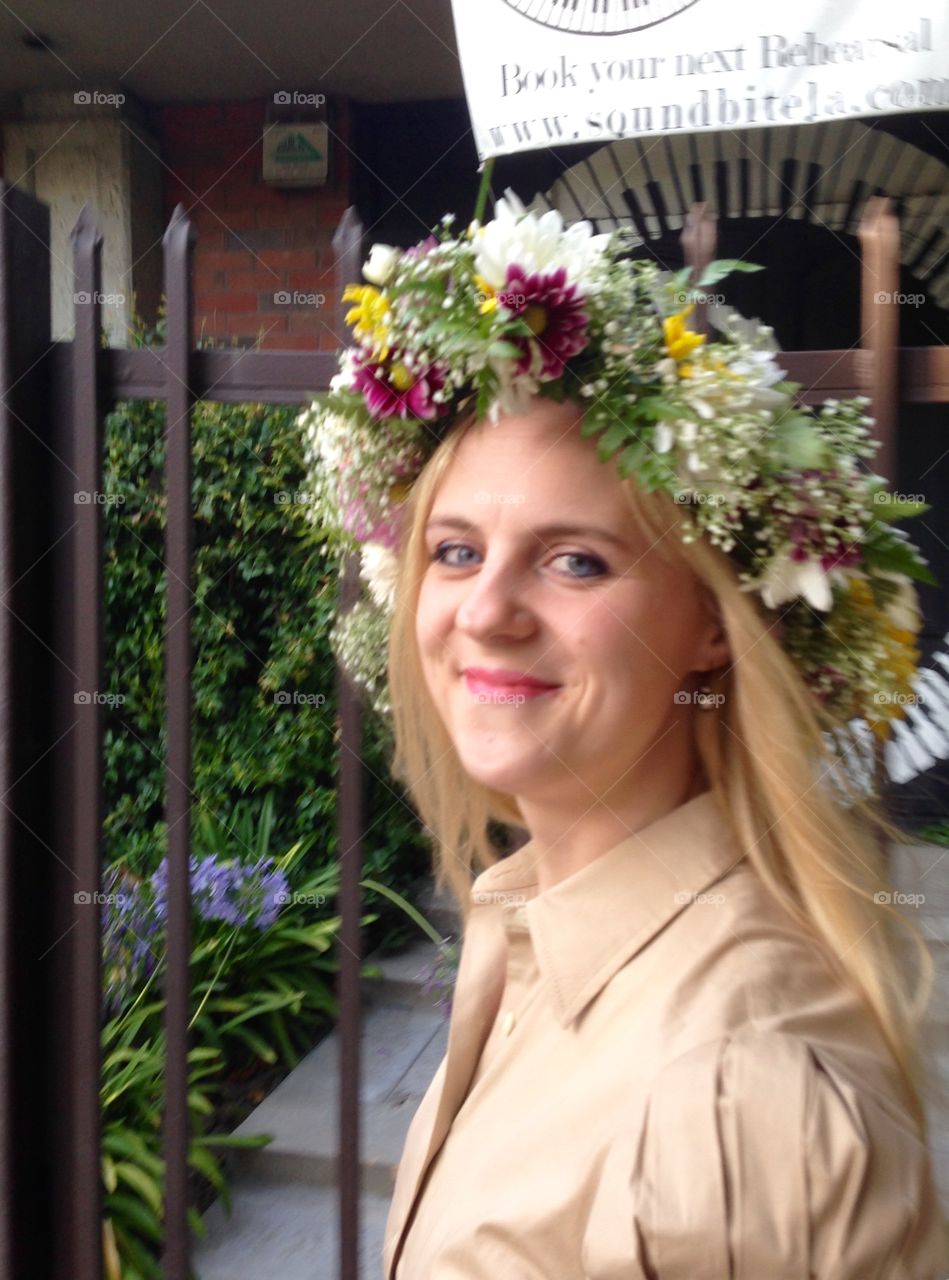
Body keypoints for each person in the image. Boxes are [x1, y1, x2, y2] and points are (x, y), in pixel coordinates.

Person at [300, 192, 948, 1278]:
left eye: (575, 560)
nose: (487, 609)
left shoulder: (740, 1095)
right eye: (455, 550)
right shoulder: (523, 931)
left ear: (711, 625)